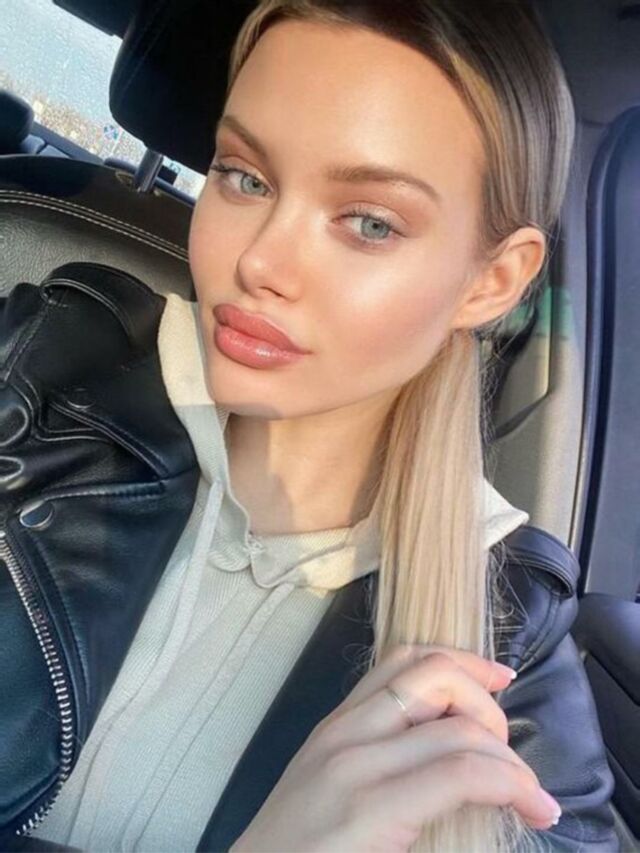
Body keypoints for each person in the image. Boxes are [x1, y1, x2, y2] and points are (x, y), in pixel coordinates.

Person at [7, 0, 613, 851]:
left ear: (493, 282)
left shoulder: (511, 647)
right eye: (244, 177)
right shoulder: (33, 372)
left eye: (370, 222)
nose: (259, 259)